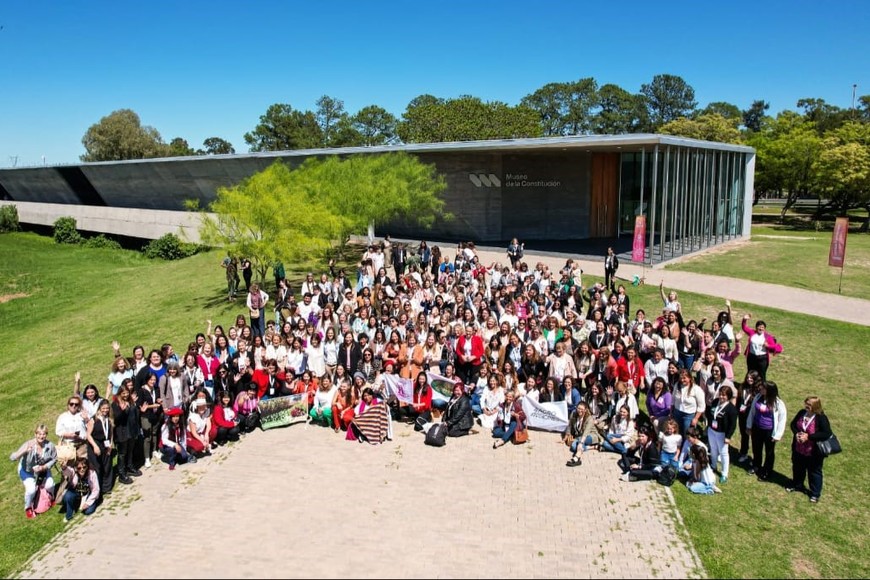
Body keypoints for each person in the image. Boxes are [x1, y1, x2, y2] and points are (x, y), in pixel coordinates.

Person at [787, 396, 832, 503]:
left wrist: (809, 437)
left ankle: (815, 493)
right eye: (806, 403)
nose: (806, 406)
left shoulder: (821, 417)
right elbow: (793, 424)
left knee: (814, 472)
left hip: (813, 451)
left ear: (816, 406)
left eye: (809, 404)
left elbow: (826, 433)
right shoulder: (802, 413)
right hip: (799, 448)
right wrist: (796, 433)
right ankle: (797, 485)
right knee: (798, 468)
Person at [10, 424, 57, 519]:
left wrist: (44, 467)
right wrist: (24, 451)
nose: (41, 436)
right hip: (27, 472)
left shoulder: (50, 445)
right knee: (31, 490)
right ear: (35, 434)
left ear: (46, 435)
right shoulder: (28, 444)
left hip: (42, 470)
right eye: (39, 434)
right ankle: (28, 507)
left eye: (44, 434)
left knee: (50, 485)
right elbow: (12, 457)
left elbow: (54, 459)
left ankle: (50, 498)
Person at [746, 380, 787, 481]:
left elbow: (782, 419)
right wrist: (749, 426)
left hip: (769, 431)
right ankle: (756, 465)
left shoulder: (778, 403)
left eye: (763, 388)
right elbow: (752, 412)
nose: (760, 389)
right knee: (756, 448)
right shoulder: (758, 397)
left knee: (769, 452)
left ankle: (767, 471)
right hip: (757, 428)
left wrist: (778, 435)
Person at [707, 385, 738, 484]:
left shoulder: (731, 409)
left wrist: (728, 437)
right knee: (713, 449)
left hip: (722, 433)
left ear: (728, 396)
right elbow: (710, 414)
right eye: (720, 394)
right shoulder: (715, 402)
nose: (721, 397)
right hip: (712, 430)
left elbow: (733, 425)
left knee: (723, 453)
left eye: (724, 395)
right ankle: (713, 465)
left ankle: (724, 474)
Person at [741, 313, 783, 381]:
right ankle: (749, 386)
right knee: (750, 373)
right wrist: (744, 320)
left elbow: (777, 348)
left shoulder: (768, 337)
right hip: (751, 357)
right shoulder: (752, 333)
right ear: (756, 327)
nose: (761, 328)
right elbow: (744, 328)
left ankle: (762, 387)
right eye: (759, 327)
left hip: (762, 359)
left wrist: (768, 346)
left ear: (764, 329)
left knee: (761, 375)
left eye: (762, 327)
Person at [86, 399, 115, 494]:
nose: (105, 410)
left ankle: (107, 488)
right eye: (103, 408)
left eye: (107, 408)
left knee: (107, 466)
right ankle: (96, 489)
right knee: (97, 467)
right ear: (99, 408)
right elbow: (88, 435)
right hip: (95, 444)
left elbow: (111, 433)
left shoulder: (109, 419)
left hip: (106, 444)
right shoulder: (93, 419)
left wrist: (110, 445)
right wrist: (95, 446)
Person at [60, 458, 100, 522]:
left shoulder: (92, 473)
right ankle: (69, 514)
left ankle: (93, 502)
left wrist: (87, 503)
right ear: (76, 468)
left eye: (84, 467)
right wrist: (64, 467)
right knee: (67, 496)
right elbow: (68, 471)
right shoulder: (74, 472)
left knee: (88, 511)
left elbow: (96, 490)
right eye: (79, 468)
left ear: (87, 466)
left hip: (88, 494)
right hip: (77, 492)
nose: (82, 469)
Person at [564, 402, 601, 467]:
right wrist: (566, 436)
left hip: (591, 435)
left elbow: (586, 432)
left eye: (582, 409)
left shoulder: (589, 419)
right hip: (580, 436)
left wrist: (581, 443)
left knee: (579, 442)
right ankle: (593, 447)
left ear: (585, 410)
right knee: (573, 447)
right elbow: (569, 425)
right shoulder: (573, 414)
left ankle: (576, 458)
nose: (579, 410)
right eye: (578, 408)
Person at [56, 395, 88, 463]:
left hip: (82, 445)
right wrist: (69, 435)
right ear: (68, 405)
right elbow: (58, 431)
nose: (74, 406)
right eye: (71, 404)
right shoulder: (62, 417)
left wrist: (86, 419)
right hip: (68, 446)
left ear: (79, 406)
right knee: (69, 465)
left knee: (83, 465)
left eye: (76, 404)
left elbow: (90, 428)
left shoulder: (82, 415)